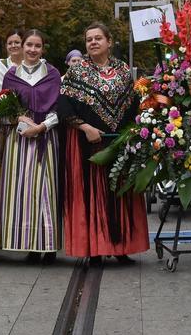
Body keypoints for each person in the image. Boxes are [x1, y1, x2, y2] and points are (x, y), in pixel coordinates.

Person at [59, 22, 148, 262]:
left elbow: (132, 107)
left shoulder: (123, 71)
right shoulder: (77, 72)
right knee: (91, 195)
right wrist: (86, 128)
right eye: (89, 40)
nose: (93, 43)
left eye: (98, 38)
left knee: (119, 193)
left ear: (109, 42)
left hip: (118, 143)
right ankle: (94, 249)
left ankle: (121, 247)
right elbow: (64, 106)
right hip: (87, 143)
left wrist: (131, 134)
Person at [0, 29, 63, 262]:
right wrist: (18, 118)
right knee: (23, 191)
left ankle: (47, 245)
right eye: (29, 45)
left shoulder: (53, 74)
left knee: (45, 190)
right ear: (22, 47)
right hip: (19, 139)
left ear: (42, 48)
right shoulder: (11, 75)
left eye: (37, 46)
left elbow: (60, 109)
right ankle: (27, 244)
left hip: (46, 136)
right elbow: (4, 105)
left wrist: (42, 126)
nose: (33, 50)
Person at [0, 29, 26, 95]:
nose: (13, 45)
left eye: (17, 42)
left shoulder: (32, 65)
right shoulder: (0, 66)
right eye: (9, 43)